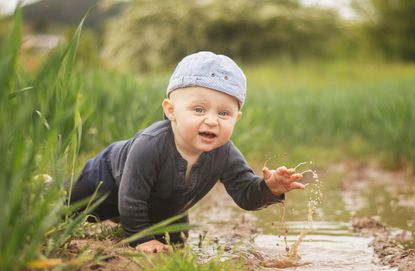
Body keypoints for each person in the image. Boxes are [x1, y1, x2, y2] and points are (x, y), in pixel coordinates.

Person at [70, 51, 305, 253]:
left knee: (176, 242)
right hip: (105, 179)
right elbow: (132, 195)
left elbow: (245, 193)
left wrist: (269, 188)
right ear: (171, 110)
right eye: (199, 109)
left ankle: (131, 222)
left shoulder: (224, 152)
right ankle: (46, 187)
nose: (212, 121)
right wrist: (141, 239)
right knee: (68, 210)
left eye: (224, 114)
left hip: (163, 204)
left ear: (237, 119)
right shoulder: (150, 145)